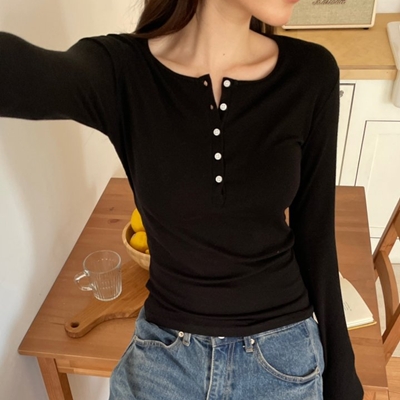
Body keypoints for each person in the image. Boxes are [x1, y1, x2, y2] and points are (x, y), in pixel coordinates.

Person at [0, 0, 364, 399]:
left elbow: (316, 235)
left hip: (281, 359)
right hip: (164, 360)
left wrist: (343, 376)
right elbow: (22, 75)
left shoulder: (310, 73)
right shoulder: (122, 71)